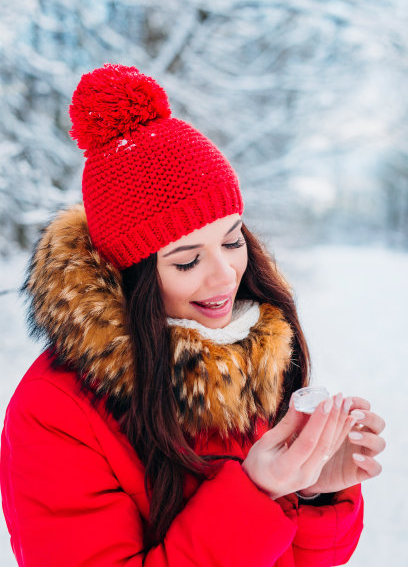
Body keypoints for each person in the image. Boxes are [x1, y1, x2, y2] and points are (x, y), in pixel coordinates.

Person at [0, 64, 385, 566]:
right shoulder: (55, 414)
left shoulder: (250, 355)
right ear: (131, 274)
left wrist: (310, 491)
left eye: (232, 240)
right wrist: (254, 492)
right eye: (187, 260)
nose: (225, 276)